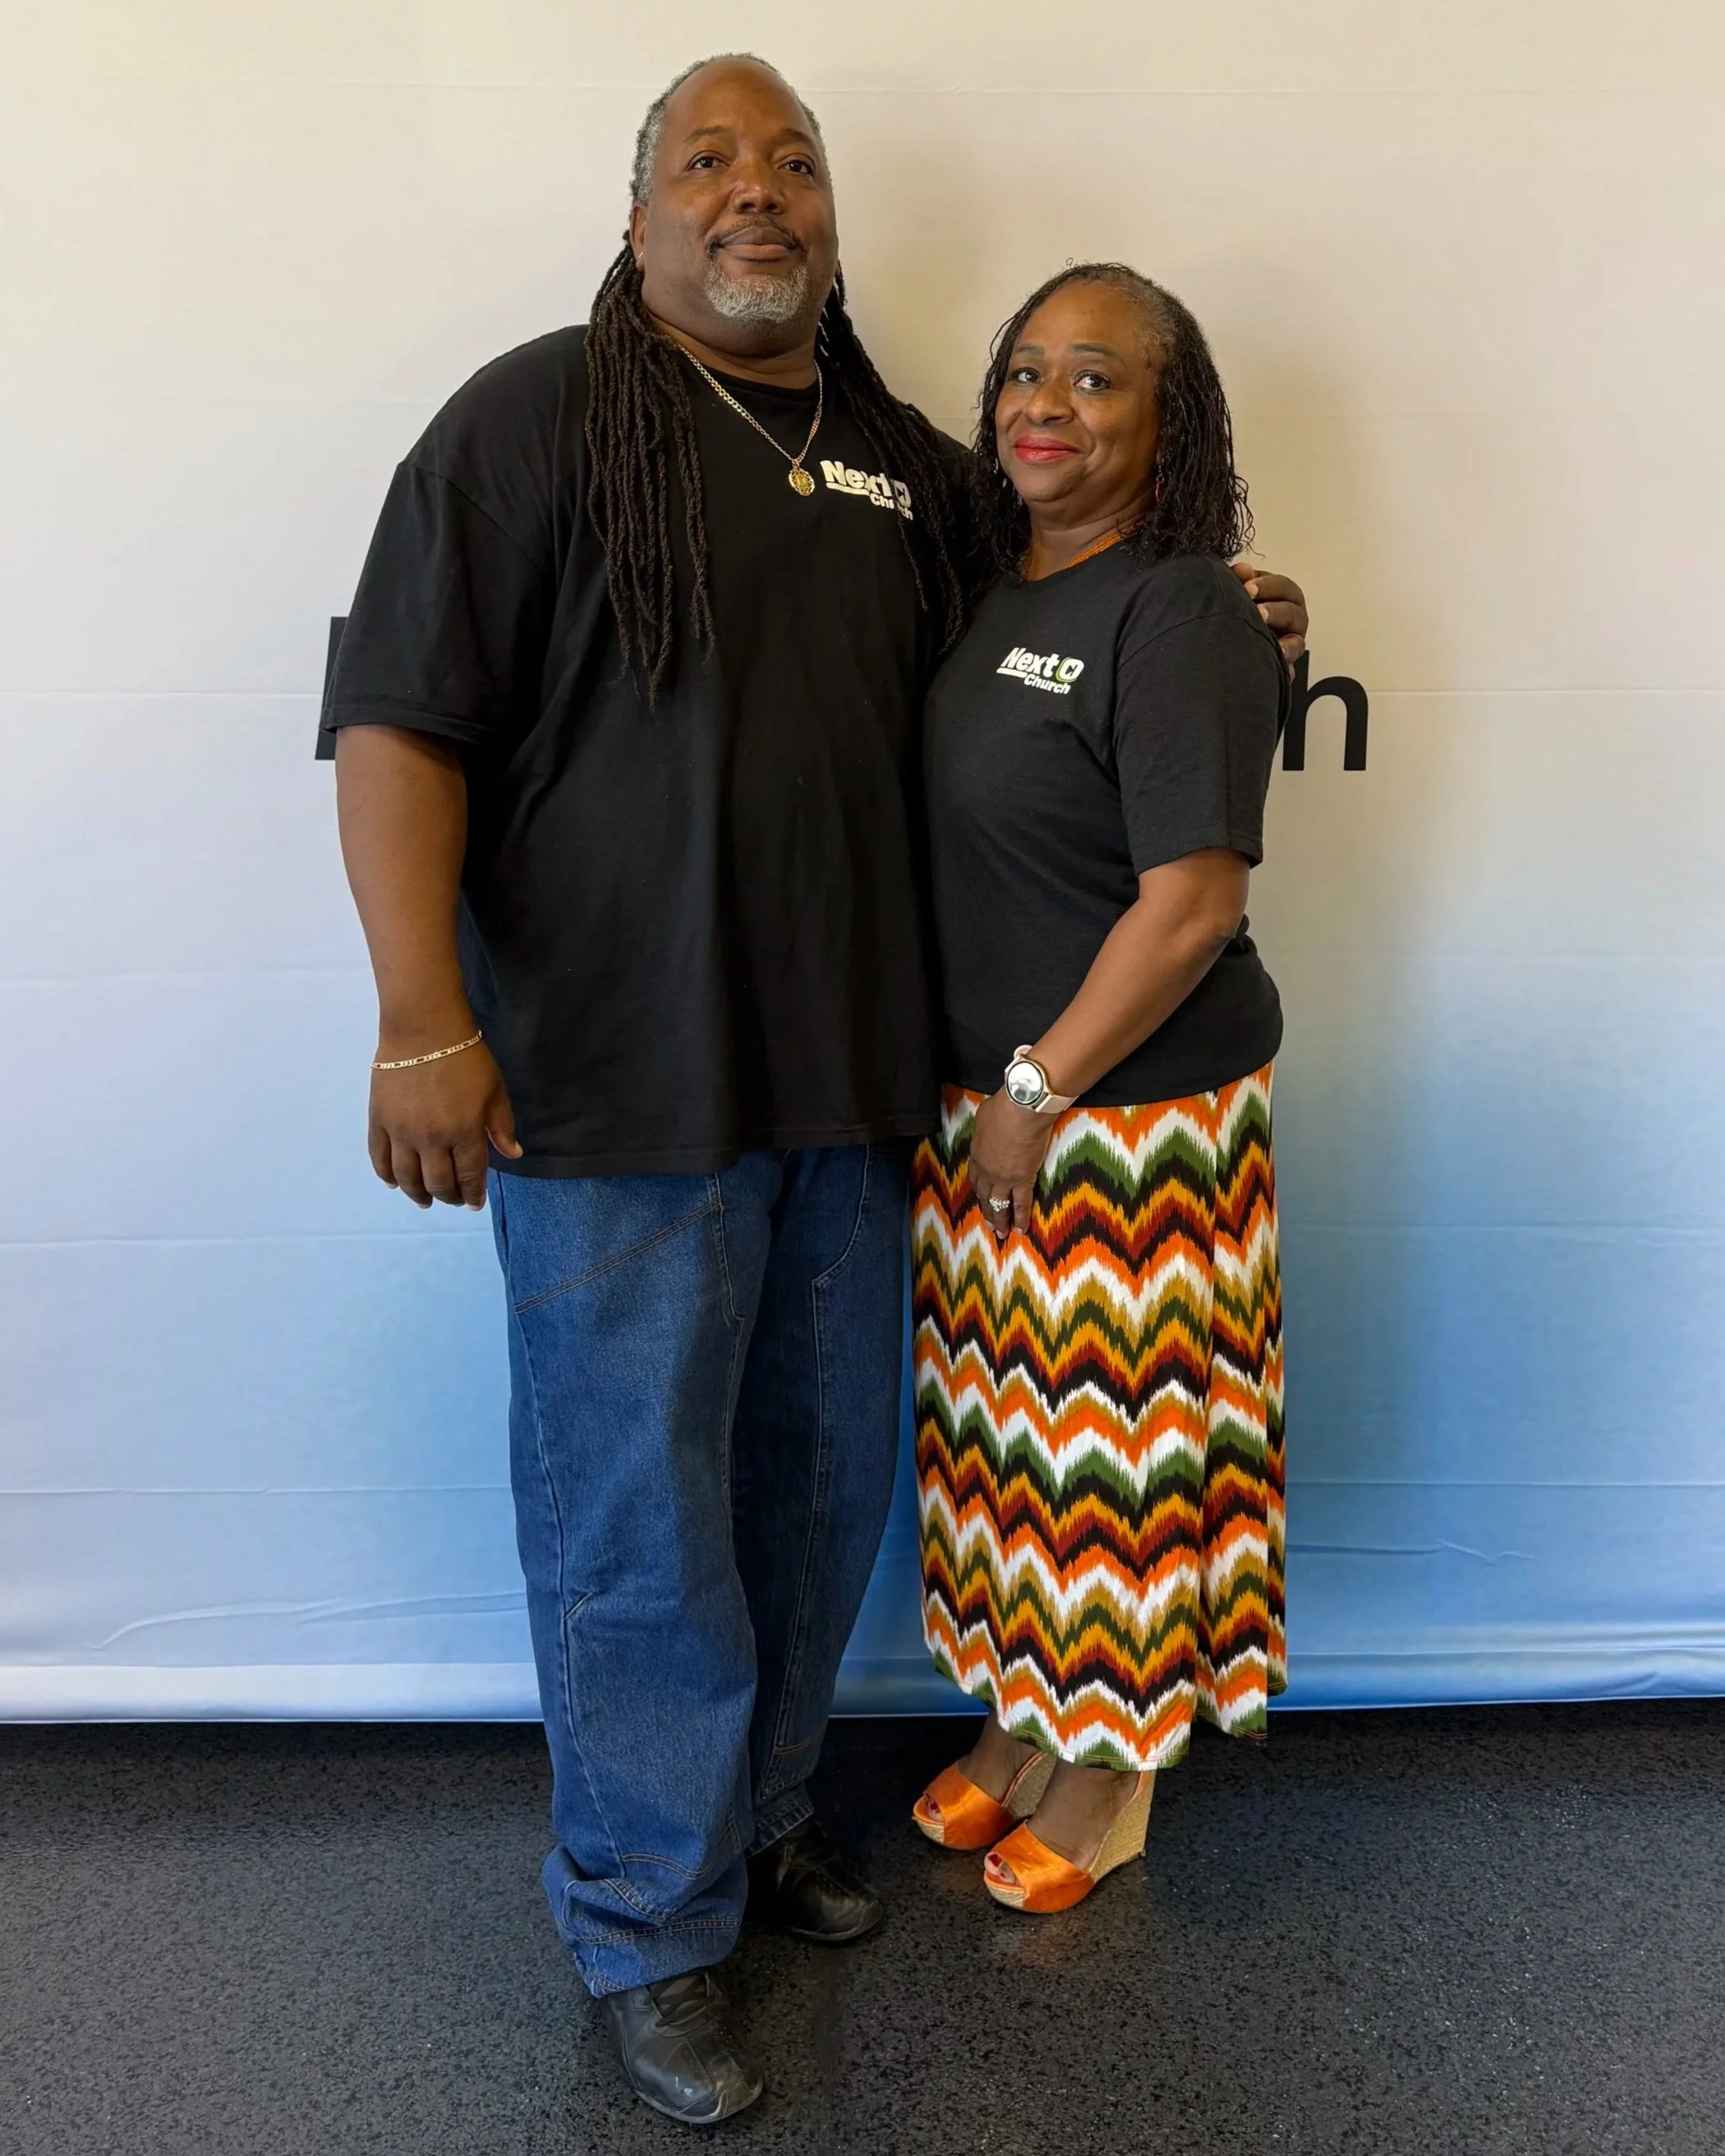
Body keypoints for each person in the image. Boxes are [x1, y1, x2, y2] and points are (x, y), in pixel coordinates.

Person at [327, 53, 1310, 2125]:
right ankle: (647, 1919)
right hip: (611, 1099)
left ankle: (763, 1818)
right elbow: (402, 721)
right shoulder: (528, 421)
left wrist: (1224, 609)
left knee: (811, 1495)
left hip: (860, 1103)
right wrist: (422, 1018)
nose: (755, 190)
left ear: (834, 227)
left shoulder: (900, 467)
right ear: (640, 223)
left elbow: (1077, 602)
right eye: (708, 161)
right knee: (635, 1526)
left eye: (792, 163)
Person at [910, 264, 1289, 1913]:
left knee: (1116, 1476)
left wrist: (1036, 1084)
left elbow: (1191, 903)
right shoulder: (992, 591)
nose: (1045, 404)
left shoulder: (1180, 607)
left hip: (1129, 1124)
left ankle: (1113, 1771)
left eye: (1095, 376)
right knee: (1007, 1459)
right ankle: (1023, 1723)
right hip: (989, 1108)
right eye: (1024, 371)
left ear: (1168, 419)